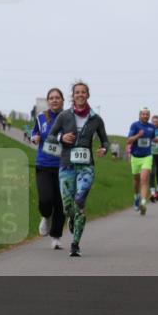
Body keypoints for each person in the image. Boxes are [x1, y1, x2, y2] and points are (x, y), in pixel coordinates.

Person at [47, 82, 109, 257]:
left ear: (88, 95)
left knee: (80, 200)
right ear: (72, 96)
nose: (80, 95)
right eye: (77, 92)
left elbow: (105, 140)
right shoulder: (64, 116)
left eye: (83, 92)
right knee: (68, 207)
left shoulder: (96, 119)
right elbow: (50, 137)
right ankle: (72, 218)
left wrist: (104, 148)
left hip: (86, 167)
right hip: (66, 165)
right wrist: (61, 137)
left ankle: (75, 244)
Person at [30, 88, 66, 249]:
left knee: (60, 203)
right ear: (48, 101)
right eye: (51, 98)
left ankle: (56, 236)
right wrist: (34, 137)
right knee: (45, 199)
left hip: (63, 166)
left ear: (62, 100)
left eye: (57, 97)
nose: (54, 100)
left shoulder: (68, 118)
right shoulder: (41, 117)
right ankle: (46, 216)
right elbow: (34, 132)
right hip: (43, 164)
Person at [126, 108, 156, 215]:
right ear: (140, 115)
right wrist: (138, 135)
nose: (145, 116)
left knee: (144, 179)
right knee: (136, 181)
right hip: (135, 157)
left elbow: (152, 139)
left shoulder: (152, 127)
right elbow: (128, 140)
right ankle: (136, 197)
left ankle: (143, 203)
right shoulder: (135, 125)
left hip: (147, 157)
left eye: (147, 114)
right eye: (143, 114)